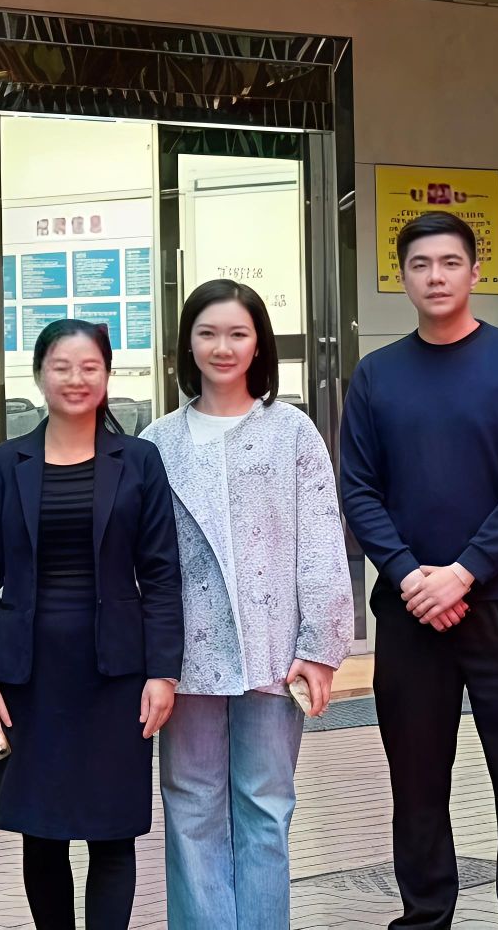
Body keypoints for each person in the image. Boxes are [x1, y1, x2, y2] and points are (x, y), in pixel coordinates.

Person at [338, 211, 498, 930]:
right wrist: (410, 576)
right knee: (415, 784)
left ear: (475, 271)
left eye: (448, 263)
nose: (434, 277)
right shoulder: (377, 376)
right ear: (401, 276)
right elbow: (358, 489)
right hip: (410, 612)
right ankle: (424, 916)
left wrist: (463, 572)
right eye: (419, 265)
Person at [140, 279, 352, 930]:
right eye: (207, 333)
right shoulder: (159, 440)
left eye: (238, 333)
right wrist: (152, 658)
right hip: (188, 655)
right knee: (191, 807)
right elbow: (144, 560)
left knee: (265, 808)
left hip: (274, 652)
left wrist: (320, 647)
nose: (222, 347)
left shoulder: (291, 431)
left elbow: (322, 538)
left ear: (259, 343)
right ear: (187, 344)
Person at [0, 319, 182, 930]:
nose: (76, 379)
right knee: (42, 831)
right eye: (61, 367)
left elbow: (161, 574)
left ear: (107, 375)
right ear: (39, 375)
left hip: (116, 673)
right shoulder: (4, 465)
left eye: (90, 367)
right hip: (28, 676)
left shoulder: (139, 461)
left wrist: (163, 672)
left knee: (113, 831)